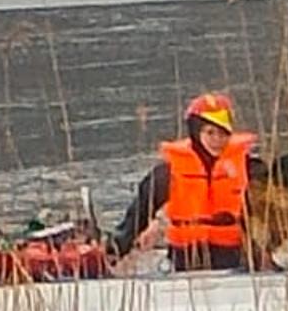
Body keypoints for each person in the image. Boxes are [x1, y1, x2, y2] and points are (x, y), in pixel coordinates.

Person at [110, 92, 274, 272]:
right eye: (210, 132)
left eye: (223, 133)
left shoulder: (251, 169)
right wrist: (113, 252)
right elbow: (136, 218)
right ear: (196, 133)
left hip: (235, 257)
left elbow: (275, 216)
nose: (217, 140)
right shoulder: (167, 174)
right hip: (185, 259)